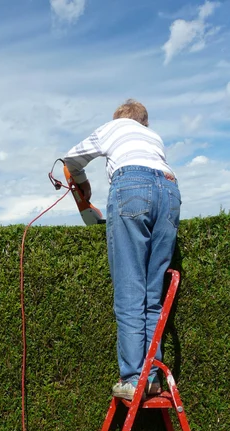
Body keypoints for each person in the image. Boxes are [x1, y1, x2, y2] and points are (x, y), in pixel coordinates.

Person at [64, 99, 181, 400]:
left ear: (119, 119)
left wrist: (81, 183)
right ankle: (151, 379)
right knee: (152, 297)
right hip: (170, 191)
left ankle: (132, 380)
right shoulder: (154, 138)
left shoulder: (113, 127)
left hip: (132, 188)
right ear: (145, 122)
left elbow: (71, 160)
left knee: (130, 291)